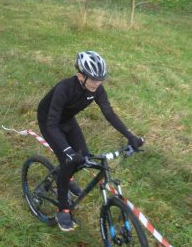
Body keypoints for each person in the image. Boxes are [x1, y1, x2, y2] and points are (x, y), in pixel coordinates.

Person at [37, 50, 143, 232]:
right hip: (50, 122)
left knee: (84, 157)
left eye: (100, 79)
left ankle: (66, 178)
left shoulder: (97, 89)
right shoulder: (64, 88)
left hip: (68, 120)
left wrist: (130, 136)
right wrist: (68, 152)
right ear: (80, 75)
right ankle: (62, 209)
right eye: (93, 79)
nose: (97, 83)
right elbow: (52, 125)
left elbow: (109, 113)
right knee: (68, 160)